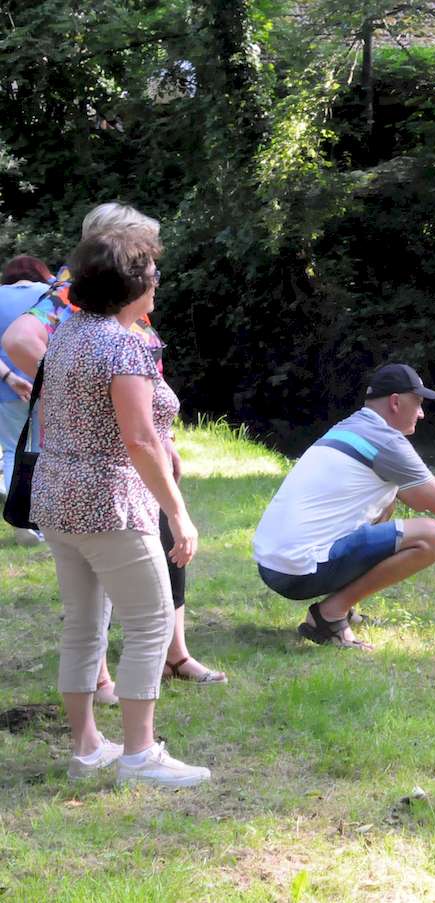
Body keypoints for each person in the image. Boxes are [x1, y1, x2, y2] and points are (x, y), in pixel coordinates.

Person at [2, 203, 226, 698]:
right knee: (102, 581)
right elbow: (19, 338)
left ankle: (174, 654)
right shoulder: (76, 297)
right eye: (144, 251)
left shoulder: (121, 308)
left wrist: (161, 434)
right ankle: (109, 681)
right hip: (106, 468)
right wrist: (82, 393)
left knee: (162, 546)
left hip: (134, 458)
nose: (154, 267)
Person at [31, 227, 211, 786]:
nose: (158, 283)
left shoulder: (67, 332)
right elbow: (139, 440)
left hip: (57, 497)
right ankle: (139, 755)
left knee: (84, 625)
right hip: (109, 504)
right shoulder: (122, 346)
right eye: (153, 274)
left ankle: (88, 749)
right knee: (152, 621)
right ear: (131, 283)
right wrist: (178, 513)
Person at [253, 362, 435, 650]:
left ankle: (341, 606)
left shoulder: (352, 427)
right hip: (298, 572)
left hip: (274, 567)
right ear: (396, 402)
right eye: (418, 403)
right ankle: (330, 614)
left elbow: (430, 493)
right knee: (431, 536)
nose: (421, 413)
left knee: (388, 502)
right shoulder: (387, 442)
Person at [0, 255, 52, 546]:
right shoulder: (50, 296)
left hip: (5, 388)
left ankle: (19, 519)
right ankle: (41, 521)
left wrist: (8, 377)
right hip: (44, 383)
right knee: (42, 451)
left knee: (12, 450)